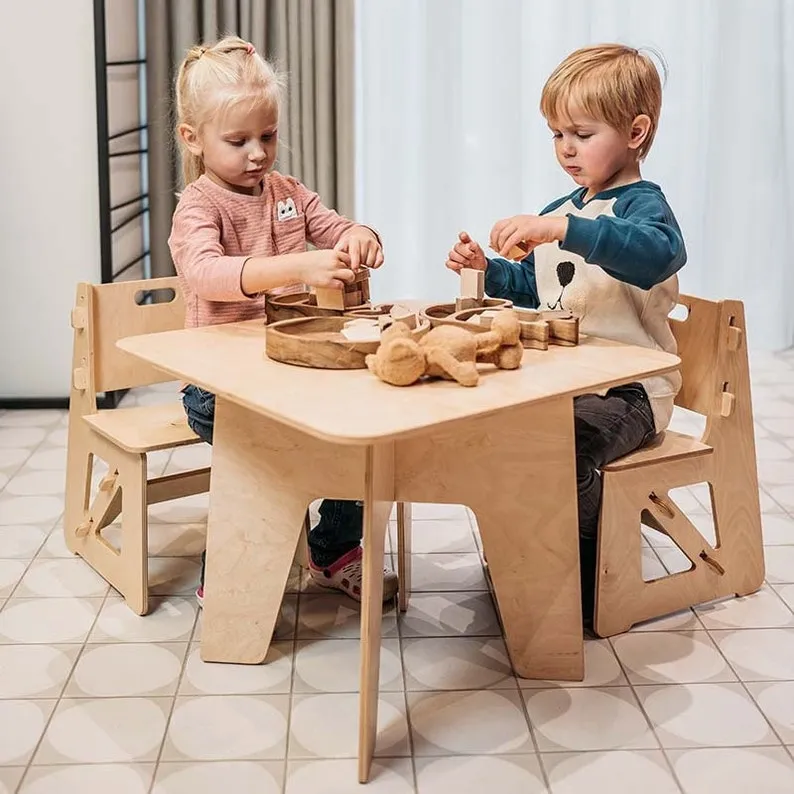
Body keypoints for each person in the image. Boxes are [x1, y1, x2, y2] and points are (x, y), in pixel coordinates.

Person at [445, 43, 686, 626]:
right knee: (502, 432)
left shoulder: (642, 209)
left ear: (636, 131)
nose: (566, 149)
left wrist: (565, 227)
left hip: (630, 392)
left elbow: (658, 256)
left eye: (581, 132)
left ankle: (575, 581)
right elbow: (538, 287)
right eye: (556, 135)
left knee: (564, 447)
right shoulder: (564, 208)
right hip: (569, 383)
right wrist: (486, 268)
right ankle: (525, 551)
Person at [168, 36, 397, 606]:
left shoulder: (288, 194)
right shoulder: (198, 206)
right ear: (192, 139)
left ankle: (336, 550)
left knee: (362, 434)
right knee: (261, 462)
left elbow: (333, 224)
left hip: (292, 369)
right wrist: (297, 265)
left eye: (267, 136)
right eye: (238, 140)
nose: (257, 153)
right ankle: (231, 565)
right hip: (218, 388)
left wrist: (358, 236)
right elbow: (207, 275)